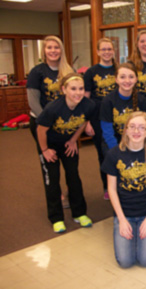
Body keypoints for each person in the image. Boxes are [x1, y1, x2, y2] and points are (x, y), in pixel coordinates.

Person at [101, 111, 146, 268]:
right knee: (125, 262)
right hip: (125, 213)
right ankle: (128, 228)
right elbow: (111, 189)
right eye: (132, 127)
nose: (136, 131)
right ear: (125, 130)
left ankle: (145, 231)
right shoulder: (114, 154)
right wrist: (122, 220)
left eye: (141, 127)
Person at [36, 73, 95, 233]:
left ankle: (80, 213)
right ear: (64, 89)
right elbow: (40, 130)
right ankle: (56, 218)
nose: (78, 92)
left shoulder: (88, 105)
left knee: (73, 176)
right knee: (52, 179)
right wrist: (44, 150)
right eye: (73, 89)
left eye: (81, 88)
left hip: (67, 143)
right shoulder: (53, 108)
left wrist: (74, 139)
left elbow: (83, 121)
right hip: (49, 145)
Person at [26, 35, 74, 207]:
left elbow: (76, 98)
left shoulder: (69, 71)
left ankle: (70, 193)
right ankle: (57, 195)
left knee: (70, 162)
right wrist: (48, 122)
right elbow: (33, 102)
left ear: (61, 50)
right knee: (50, 163)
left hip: (67, 125)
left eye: (56, 47)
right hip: (43, 125)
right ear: (44, 50)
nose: (53, 51)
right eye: (49, 48)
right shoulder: (37, 72)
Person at [84, 37, 117, 200]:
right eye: (103, 49)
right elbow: (86, 99)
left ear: (113, 51)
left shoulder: (119, 69)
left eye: (109, 49)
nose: (106, 52)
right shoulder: (91, 72)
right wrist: (87, 122)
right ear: (97, 52)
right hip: (97, 116)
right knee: (103, 153)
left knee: (121, 150)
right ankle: (107, 186)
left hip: (118, 116)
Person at [100, 63, 146, 152]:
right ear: (116, 80)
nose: (127, 80)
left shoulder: (141, 100)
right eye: (122, 77)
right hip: (113, 142)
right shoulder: (108, 101)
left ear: (136, 79)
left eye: (131, 77)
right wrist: (118, 151)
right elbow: (107, 132)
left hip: (136, 141)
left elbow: (145, 127)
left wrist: (136, 146)